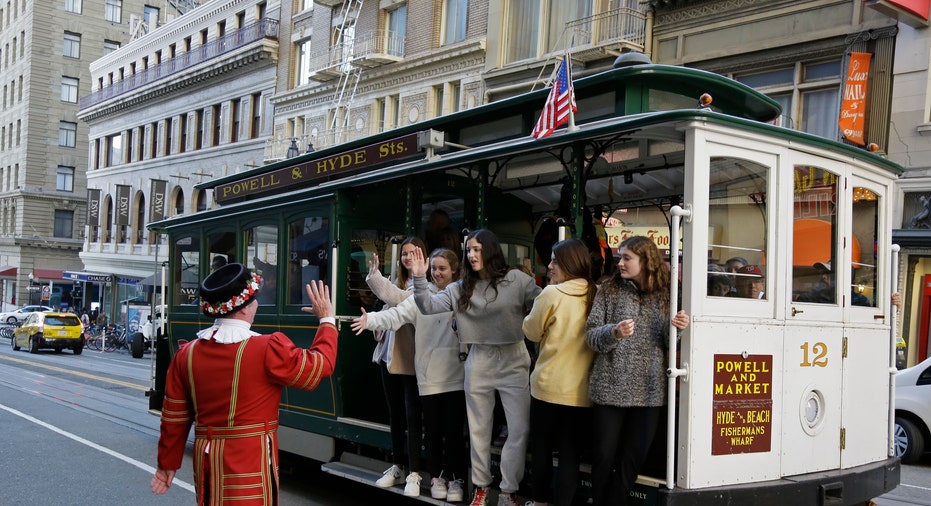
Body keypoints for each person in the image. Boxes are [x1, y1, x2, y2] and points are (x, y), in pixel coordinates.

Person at [150, 263, 338, 505]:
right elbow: (320, 365)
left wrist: (167, 464)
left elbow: (174, 417)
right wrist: (327, 320)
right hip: (251, 462)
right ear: (244, 308)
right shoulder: (267, 348)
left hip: (208, 464)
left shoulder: (186, 354)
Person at [410, 229, 541, 506]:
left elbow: (545, 303)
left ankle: (508, 491)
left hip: (513, 357)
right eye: (469, 250)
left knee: (519, 429)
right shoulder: (459, 287)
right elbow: (427, 306)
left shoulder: (517, 280)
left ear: (491, 250)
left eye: (477, 249)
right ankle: (481, 487)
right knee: (479, 429)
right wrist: (420, 278)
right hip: (479, 358)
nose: (471, 255)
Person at [352, 248, 467, 502]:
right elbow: (395, 315)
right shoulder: (419, 296)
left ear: (455, 271)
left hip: (457, 375)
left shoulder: (462, 294)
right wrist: (369, 320)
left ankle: (456, 479)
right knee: (434, 431)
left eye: (442, 269)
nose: (437, 273)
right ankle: (437, 477)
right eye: (433, 268)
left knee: (454, 432)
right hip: (429, 376)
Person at [586, 236, 690, 506]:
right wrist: (614, 332)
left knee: (632, 459)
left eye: (627, 258)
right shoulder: (608, 289)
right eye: (620, 257)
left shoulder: (667, 293)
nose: (620, 263)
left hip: (649, 391)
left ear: (645, 261)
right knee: (603, 457)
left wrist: (677, 329)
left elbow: (667, 344)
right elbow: (590, 336)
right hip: (609, 388)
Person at [522, 239, 596, 506]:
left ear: (568, 263)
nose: (550, 265)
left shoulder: (551, 294)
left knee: (541, 449)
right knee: (570, 455)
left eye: (554, 260)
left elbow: (530, 331)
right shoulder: (596, 292)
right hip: (582, 392)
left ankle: (540, 502)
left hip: (547, 387)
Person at [363, 239, 426, 496]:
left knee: (413, 417)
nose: (408, 258)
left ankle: (415, 472)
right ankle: (398, 466)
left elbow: (396, 298)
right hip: (388, 360)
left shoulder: (425, 286)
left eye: (413, 253)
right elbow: (389, 304)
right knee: (396, 416)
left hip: (410, 362)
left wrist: (375, 277)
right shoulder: (398, 282)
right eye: (404, 254)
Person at [797, 261, 870, 306]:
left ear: (841, 276)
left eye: (828, 273)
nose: (823, 276)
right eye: (822, 273)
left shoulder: (859, 301)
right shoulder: (818, 296)